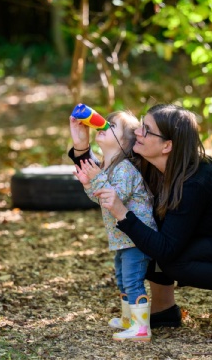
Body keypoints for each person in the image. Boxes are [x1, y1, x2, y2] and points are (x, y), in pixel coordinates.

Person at [69, 103, 212, 335]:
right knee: (148, 234)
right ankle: (163, 308)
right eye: (141, 125)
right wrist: (81, 145)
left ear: (167, 145)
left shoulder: (196, 182)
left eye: (147, 130)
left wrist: (122, 213)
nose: (137, 132)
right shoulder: (148, 160)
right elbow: (104, 174)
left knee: (169, 258)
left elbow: (166, 249)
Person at [71, 109, 158, 342]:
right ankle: (128, 319)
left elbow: (115, 196)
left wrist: (97, 178)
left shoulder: (125, 169)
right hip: (122, 239)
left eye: (112, 126)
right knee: (122, 278)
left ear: (125, 142)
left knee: (132, 281)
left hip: (137, 239)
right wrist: (88, 184)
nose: (104, 126)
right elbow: (101, 199)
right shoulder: (109, 168)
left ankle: (141, 329)